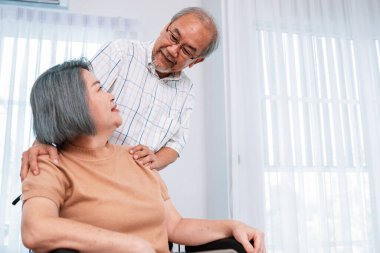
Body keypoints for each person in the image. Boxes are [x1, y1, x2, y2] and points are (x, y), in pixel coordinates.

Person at [21, 59, 265, 253]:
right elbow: (36, 229)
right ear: (72, 104)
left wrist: (232, 226)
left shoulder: (136, 157)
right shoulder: (48, 163)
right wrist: (131, 245)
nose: (111, 95)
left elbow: (175, 226)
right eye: (99, 89)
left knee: (243, 246)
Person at [20, 6, 219, 179]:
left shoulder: (186, 91)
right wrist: (42, 141)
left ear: (196, 61)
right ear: (165, 27)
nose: (173, 50)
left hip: (132, 183)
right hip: (83, 169)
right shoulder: (121, 52)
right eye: (173, 37)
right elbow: (71, 98)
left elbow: (177, 143)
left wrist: (157, 160)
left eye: (187, 51)